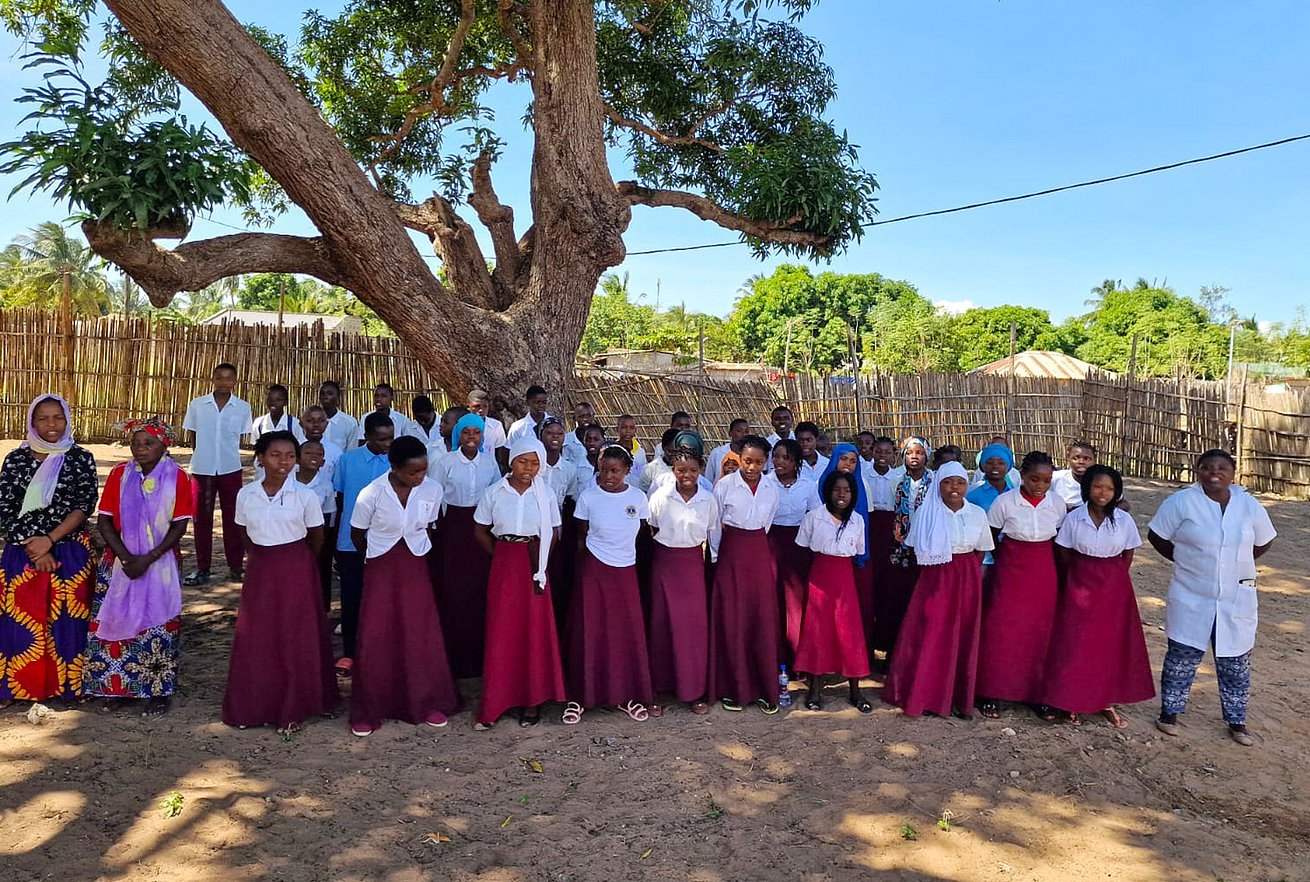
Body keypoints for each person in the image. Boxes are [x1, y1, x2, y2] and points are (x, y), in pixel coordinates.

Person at [1147, 449, 1276, 747]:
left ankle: (1236, 721)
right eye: (1206, 468)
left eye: (1221, 468)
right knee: (1182, 655)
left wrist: (1237, 563)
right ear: (1197, 471)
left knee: (1235, 660)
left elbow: (1264, 540)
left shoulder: (1248, 505)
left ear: (1233, 473)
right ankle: (1169, 714)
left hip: (1236, 596)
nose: (1214, 473)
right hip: (1191, 593)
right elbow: (1157, 535)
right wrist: (1183, 560)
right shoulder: (1181, 502)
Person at [223, 431, 337, 734]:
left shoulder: (305, 495)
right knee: (258, 635)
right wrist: (262, 558)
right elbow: (242, 532)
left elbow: (317, 536)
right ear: (261, 458)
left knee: (294, 634)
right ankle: (254, 705)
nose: (283, 461)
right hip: (261, 570)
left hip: (296, 570)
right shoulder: (246, 495)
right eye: (275, 455)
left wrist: (294, 562)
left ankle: (295, 704)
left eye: (289, 455)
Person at [348, 435, 459, 736]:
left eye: (423, 470)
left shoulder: (433, 490)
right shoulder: (370, 494)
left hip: (415, 566)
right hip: (381, 567)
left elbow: (430, 526)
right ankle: (370, 708)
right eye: (413, 472)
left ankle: (426, 702)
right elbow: (357, 535)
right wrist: (374, 558)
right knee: (377, 633)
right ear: (393, 467)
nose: (419, 477)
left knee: (419, 632)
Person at [84, 417, 191, 717]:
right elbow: (104, 520)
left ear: (164, 445)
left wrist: (149, 557)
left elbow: (179, 525)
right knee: (114, 622)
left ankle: (157, 691)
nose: (140, 449)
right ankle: (116, 687)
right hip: (120, 563)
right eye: (135, 442)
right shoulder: (120, 474)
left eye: (148, 443)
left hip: (160, 564)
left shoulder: (177, 478)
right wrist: (125, 557)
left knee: (159, 627)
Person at [0, 395, 98, 708]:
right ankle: (16, 687)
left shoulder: (80, 458)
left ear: (68, 420)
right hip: (23, 551)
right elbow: (4, 509)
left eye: (58, 418)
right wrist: (35, 546)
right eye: (43, 418)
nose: (51, 425)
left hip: (69, 553)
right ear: (32, 422)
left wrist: (50, 540)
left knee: (67, 621)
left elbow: (84, 505)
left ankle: (66, 688)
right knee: (21, 622)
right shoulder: (15, 460)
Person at [1043, 464, 1154, 727]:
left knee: (1109, 644)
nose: (1103, 492)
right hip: (1079, 582)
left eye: (1109, 488)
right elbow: (1063, 553)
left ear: (1116, 492)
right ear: (1087, 488)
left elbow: (1128, 553)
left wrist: (1113, 581)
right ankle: (1074, 701)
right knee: (1077, 643)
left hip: (1113, 588)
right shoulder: (1074, 518)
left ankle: (1106, 701)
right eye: (1097, 486)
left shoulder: (1124, 521)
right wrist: (1078, 578)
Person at [883, 462, 993, 719]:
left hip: (966, 576)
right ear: (939, 485)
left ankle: (959, 697)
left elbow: (981, 549)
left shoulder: (977, 513)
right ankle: (929, 695)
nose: (954, 488)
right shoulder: (927, 512)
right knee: (933, 633)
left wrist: (965, 573)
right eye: (947, 482)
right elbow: (915, 546)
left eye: (960, 482)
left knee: (961, 634)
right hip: (935, 578)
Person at [473, 435, 565, 729]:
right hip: (505, 563)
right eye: (523, 462)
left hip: (535, 566)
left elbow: (554, 532)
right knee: (503, 630)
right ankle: (497, 700)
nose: (528, 468)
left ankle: (532, 702)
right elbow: (480, 530)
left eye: (534, 463)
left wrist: (539, 563)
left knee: (533, 632)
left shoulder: (546, 494)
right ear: (511, 461)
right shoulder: (494, 492)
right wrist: (503, 554)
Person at [563, 445, 654, 724]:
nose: (609, 476)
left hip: (625, 571)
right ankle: (579, 697)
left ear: (628, 471)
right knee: (589, 631)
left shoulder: (638, 498)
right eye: (604, 470)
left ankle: (624, 695)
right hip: (594, 571)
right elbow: (581, 535)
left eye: (615, 471)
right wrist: (585, 572)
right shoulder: (589, 497)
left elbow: (642, 535)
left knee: (623, 632)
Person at [976, 450, 1067, 719]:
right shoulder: (1005, 502)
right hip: (1011, 570)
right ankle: (991, 691)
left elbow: (1060, 537)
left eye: (1046, 480)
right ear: (1022, 476)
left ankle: (1035, 693)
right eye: (1034, 479)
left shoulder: (1057, 503)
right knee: (1002, 628)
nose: (1040, 486)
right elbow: (991, 535)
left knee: (1039, 631)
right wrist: (1006, 558)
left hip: (1043, 571)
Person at [709, 436, 782, 714]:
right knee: (733, 618)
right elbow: (715, 526)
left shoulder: (771, 489)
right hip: (731, 556)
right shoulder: (725, 486)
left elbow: (767, 524)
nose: (752, 467)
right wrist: (717, 558)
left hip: (759, 555)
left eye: (759, 462)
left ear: (767, 462)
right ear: (740, 457)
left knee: (759, 618)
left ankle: (763, 687)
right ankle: (734, 687)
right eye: (748, 460)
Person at [646, 448, 720, 716]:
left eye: (692, 470)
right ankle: (657, 690)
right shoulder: (660, 498)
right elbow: (650, 525)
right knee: (662, 626)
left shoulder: (708, 500)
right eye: (680, 470)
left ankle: (693, 691)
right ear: (672, 470)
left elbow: (713, 533)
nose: (686, 476)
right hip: (665, 565)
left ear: (700, 469)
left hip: (692, 567)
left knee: (692, 630)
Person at [794, 470, 872, 713]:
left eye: (847, 490)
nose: (841, 495)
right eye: (836, 489)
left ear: (853, 494)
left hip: (844, 579)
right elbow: (803, 547)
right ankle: (815, 690)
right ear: (827, 492)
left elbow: (859, 551)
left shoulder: (858, 521)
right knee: (818, 631)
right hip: (820, 578)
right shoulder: (814, 518)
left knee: (849, 632)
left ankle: (855, 691)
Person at [429, 412, 500, 678]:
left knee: (478, 588)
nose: (472, 437)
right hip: (453, 529)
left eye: (477, 433)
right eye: (467, 432)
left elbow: (495, 496)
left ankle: (478, 656)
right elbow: (434, 495)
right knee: (454, 588)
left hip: (481, 528)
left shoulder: (489, 462)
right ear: (458, 434)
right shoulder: (445, 461)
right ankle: (454, 656)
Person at [331, 412, 394, 676]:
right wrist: (339, 539)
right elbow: (341, 498)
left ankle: (382, 652)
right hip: (351, 542)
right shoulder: (347, 460)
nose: (387, 444)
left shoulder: (396, 462)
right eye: (381, 439)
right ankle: (350, 654)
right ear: (366, 437)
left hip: (386, 541)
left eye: (390, 438)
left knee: (384, 598)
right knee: (351, 597)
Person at [182, 363, 252, 585]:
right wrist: (201, 456)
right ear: (213, 379)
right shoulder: (198, 405)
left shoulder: (242, 407)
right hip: (202, 469)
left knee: (234, 518)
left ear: (235, 381)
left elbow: (240, 438)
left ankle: (235, 566)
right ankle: (203, 568)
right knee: (201, 519)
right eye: (220, 377)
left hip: (231, 469)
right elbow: (192, 435)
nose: (224, 382)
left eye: (229, 378)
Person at [877, 436, 934, 667]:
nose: (914, 457)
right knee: (899, 598)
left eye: (919, 453)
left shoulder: (935, 483)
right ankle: (896, 651)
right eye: (910, 453)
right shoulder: (896, 483)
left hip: (926, 547)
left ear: (926, 456)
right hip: (899, 548)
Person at [767, 439, 821, 667]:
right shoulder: (765, 483)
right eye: (776, 456)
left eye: (786, 458)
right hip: (770, 545)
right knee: (773, 599)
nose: (779, 462)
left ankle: (797, 658)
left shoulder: (808, 485)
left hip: (799, 546)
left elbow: (816, 514)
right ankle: (773, 656)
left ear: (796, 461)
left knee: (796, 603)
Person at [295, 406, 344, 609]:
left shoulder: (335, 451)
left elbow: (331, 512)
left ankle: (321, 608)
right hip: (293, 532)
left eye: (321, 420)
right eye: (310, 420)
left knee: (320, 569)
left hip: (321, 530)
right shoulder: (292, 452)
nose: (315, 425)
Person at [537, 417, 581, 625]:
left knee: (556, 578)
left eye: (559, 433)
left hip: (557, 531)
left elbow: (570, 501)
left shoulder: (569, 470)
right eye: (549, 433)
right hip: (532, 531)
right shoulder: (533, 465)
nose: (555, 437)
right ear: (540, 436)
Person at [861, 436, 900, 651]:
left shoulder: (898, 477)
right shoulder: (864, 475)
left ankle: (885, 641)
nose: (882, 456)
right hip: (869, 528)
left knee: (888, 585)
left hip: (891, 531)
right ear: (872, 452)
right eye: (878, 451)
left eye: (887, 452)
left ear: (893, 454)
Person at [965, 441, 1017, 586]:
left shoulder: (1015, 494)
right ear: (982, 465)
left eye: (1001, 462)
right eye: (989, 462)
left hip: (1009, 556)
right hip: (983, 557)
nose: (995, 466)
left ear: (1008, 466)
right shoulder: (973, 495)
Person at [317, 380, 360, 452]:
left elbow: (351, 452)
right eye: (322, 394)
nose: (325, 397)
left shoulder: (350, 423)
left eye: (330, 394)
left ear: (338, 397)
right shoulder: (311, 421)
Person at [707, 419, 749, 486]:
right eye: (739, 431)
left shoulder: (750, 455)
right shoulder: (717, 453)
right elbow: (708, 479)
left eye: (746, 431)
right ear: (730, 433)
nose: (743, 434)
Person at [638, 428, 680, 494]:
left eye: (677, 452)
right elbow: (642, 495)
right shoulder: (649, 470)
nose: (673, 455)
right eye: (670, 451)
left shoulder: (686, 471)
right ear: (663, 447)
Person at [467, 389, 509, 454]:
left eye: (485, 406)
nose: (481, 410)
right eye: (477, 406)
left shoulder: (496, 426)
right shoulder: (460, 425)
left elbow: (500, 448)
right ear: (468, 407)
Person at [404, 395, 445, 462]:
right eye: (419, 419)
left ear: (432, 411)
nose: (422, 423)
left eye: (426, 420)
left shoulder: (445, 425)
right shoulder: (409, 428)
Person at [563, 401, 598, 467]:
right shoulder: (567, 440)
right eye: (581, 416)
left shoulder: (599, 439)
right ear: (575, 418)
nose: (585, 419)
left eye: (589, 415)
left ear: (593, 416)